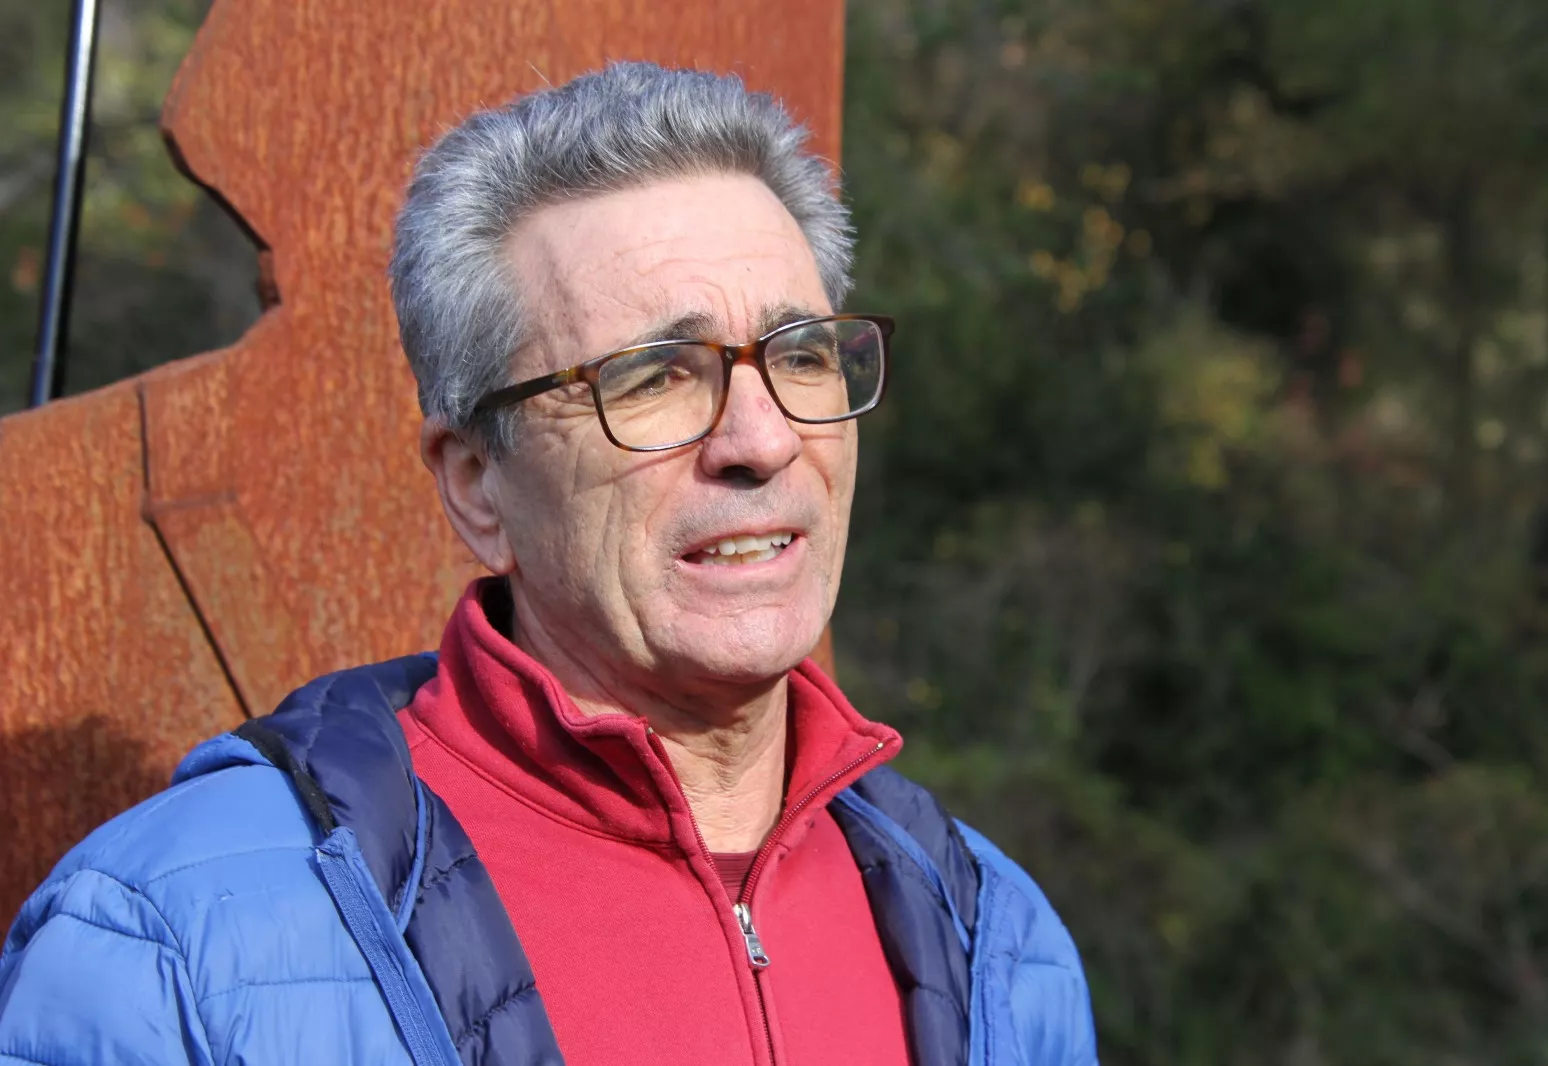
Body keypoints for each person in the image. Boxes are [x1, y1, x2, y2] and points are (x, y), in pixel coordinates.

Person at [0, 62, 1097, 1065]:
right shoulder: (168, 946)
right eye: (655, 376)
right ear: (478, 483)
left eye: (800, 355)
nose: (762, 441)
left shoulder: (995, 943)